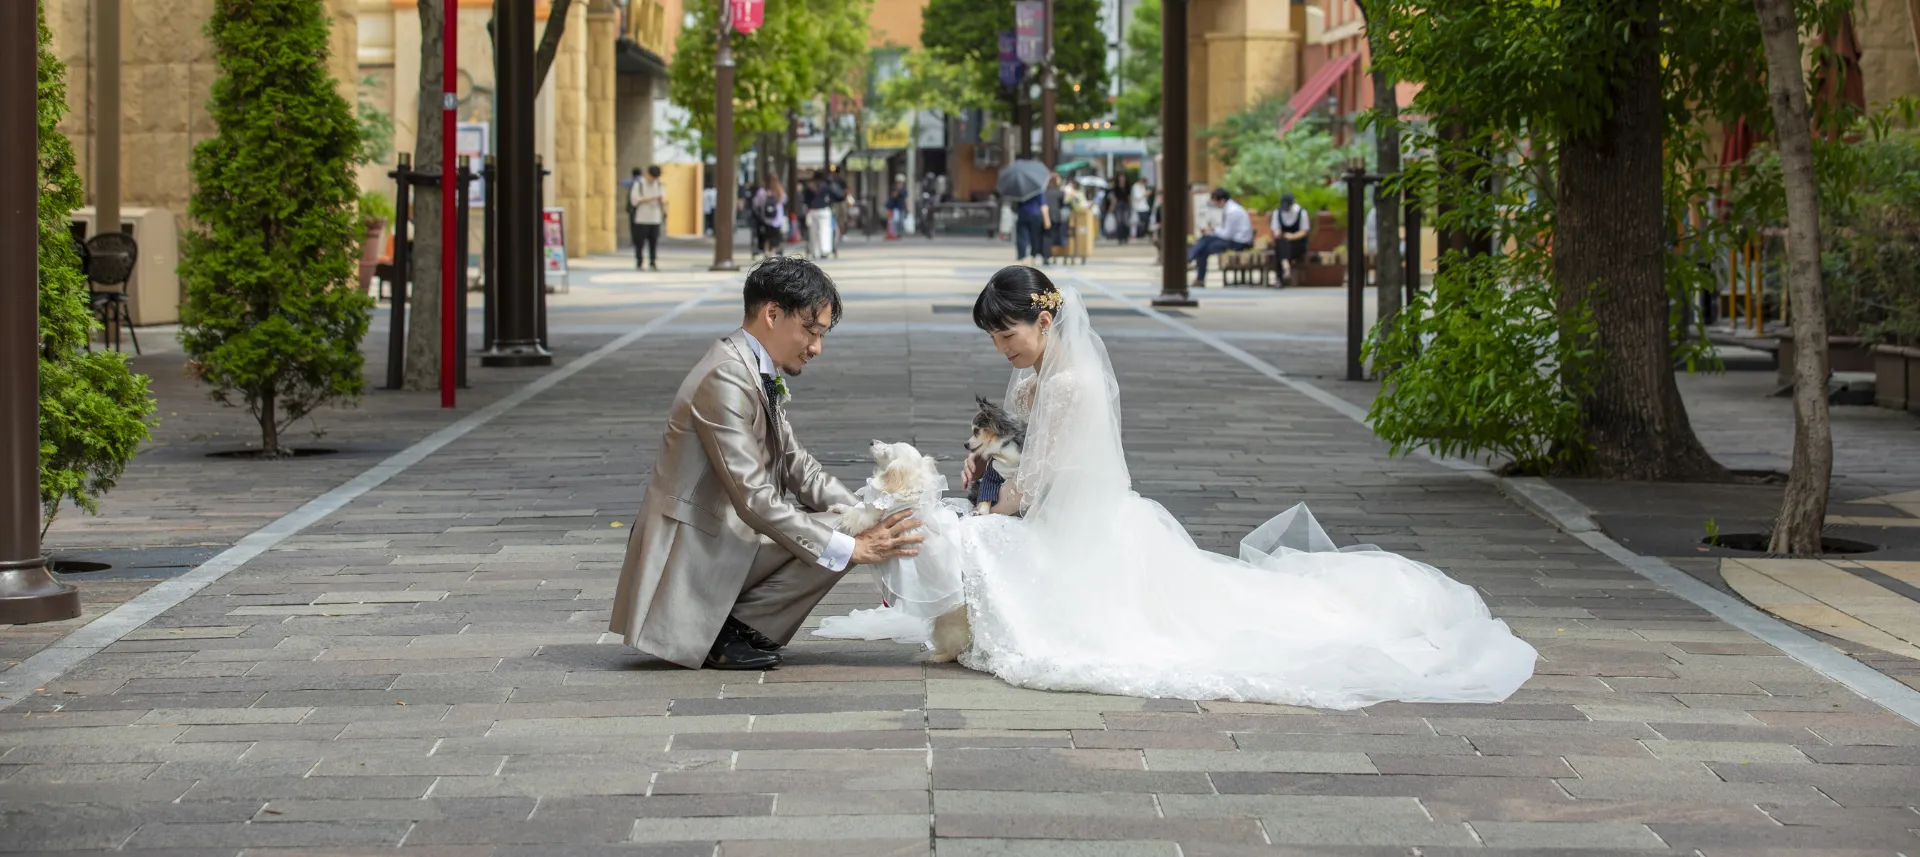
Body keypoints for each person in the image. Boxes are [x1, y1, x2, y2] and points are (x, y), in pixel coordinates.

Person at [816, 267, 1538, 709]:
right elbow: (1028, 452)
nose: (1005, 352)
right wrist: (987, 467)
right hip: (1066, 508)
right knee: (967, 533)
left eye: (1010, 337)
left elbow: (1032, 488)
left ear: (1044, 319)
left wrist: (979, 509)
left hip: (1076, 524)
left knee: (968, 540)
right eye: (996, 342)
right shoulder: (1038, 370)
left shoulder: (1069, 379)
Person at [611, 257, 925, 670]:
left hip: (727, 538)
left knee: (847, 527)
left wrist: (872, 516)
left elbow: (799, 466)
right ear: (772, 314)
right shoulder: (724, 377)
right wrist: (856, 541)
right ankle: (720, 631)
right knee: (840, 540)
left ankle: (732, 626)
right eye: (811, 332)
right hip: (694, 554)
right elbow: (753, 498)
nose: (816, 347)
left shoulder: (754, 368)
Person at [1187, 188, 1253, 288]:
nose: (1215, 205)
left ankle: (1190, 259)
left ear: (1221, 201)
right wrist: (1212, 231)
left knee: (1204, 244)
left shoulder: (1232, 211)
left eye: (1215, 202)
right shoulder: (1230, 208)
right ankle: (1194, 268)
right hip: (1233, 239)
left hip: (1239, 242)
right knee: (1205, 242)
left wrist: (1212, 231)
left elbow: (1226, 234)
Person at [629, 165, 667, 271]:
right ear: (647, 174)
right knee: (639, 243)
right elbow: (634, 200)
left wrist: (659, 200)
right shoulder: (639, 184)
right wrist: (651, 199)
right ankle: (639, 262)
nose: (653, 180)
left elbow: (663, 198)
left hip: (655, 218)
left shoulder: (659, 185)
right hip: (641, 218)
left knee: (653, 242)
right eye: (652, 177)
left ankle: (653, 261)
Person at [1270, 191, 1311, 287]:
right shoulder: (1277, 212)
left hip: (1297, 244)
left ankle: (1280, 277)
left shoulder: (1301, 212)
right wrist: (1281, 235)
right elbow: (1275, 230)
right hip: (1283, 242)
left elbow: (1304, 231)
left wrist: (1291, 236)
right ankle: (1286, 266)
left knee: (1281, 247)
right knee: (1281, 243)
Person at [1014, 187, 1052, 265]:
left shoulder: (1020, 190)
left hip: (1022, 214)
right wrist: (1047, 219)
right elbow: (1043, 205)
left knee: (1022, 236)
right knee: (1035, 237)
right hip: (1035, 214)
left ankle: (1022, 256)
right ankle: (1033, 255)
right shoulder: (1038, 190)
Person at [751, 176, 786, 258]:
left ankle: (766, 251)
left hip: (766, 217)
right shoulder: (779, 190)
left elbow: (756, 202)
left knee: (767, 235)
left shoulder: (762, 191)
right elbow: (784, 200)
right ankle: (773, 251)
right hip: (777, 218)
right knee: (776, 235)